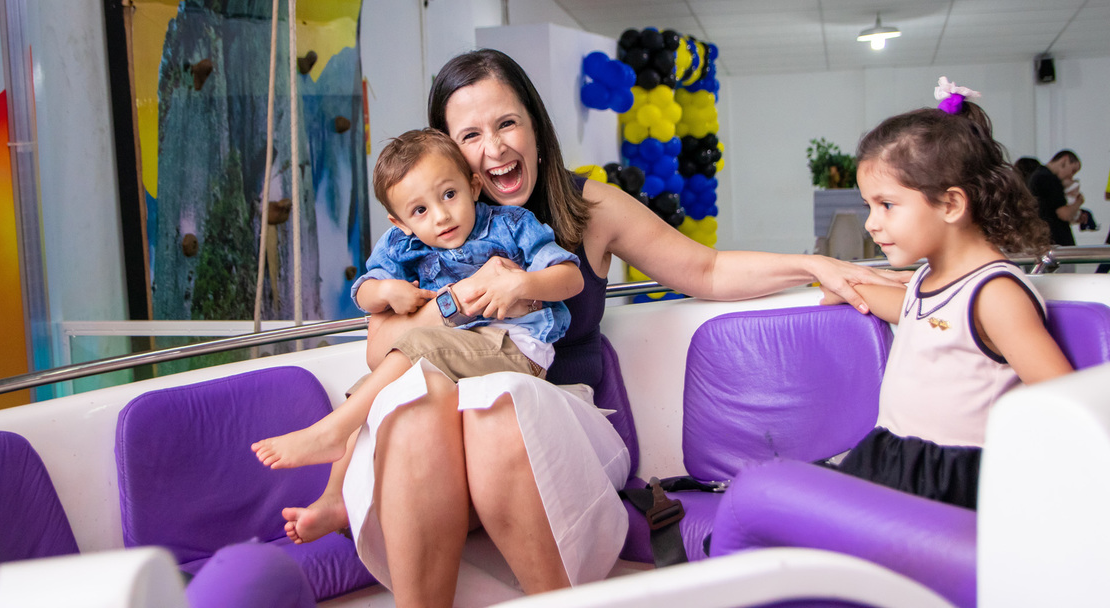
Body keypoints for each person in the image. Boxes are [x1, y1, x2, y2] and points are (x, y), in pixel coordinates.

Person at [284, 49, 908, 606]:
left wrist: (811, 264)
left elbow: (707, 269)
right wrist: (462, 295)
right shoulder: (420, 235)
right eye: (470, 135)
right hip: (441, 456)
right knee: (418, 403)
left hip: (556, 428)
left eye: (507, 124)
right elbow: (381, 349)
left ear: (535, 126)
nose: (495, 149)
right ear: (446, 151)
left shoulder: (587, 207)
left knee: (495, 400)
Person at [251, 128, 583, 470]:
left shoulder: (511, 224)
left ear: (473, 187)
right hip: (451, 347)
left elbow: (572, 278)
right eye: (420, 210)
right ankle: (334, 490)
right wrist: (385, 291)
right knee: (369, 390)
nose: (441, 216)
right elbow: (365, 293)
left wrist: (520, 284)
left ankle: (331, 430)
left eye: (450, 194)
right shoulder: (401, 244)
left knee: (420, 344)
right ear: (401, 222)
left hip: (516, 348)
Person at [827, 78, 1073, 509]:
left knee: (771, 497)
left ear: (951, 204)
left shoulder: (994, 294)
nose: (871, 223)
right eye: (869, 206)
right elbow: (910, 313)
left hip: (946, 482)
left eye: (886, 205)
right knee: (769, 494)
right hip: (896, 459)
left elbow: (1067, 400)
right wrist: (844, 284)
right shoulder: (930, 278)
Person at [1028, 149, 1083, 246]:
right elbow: (1064, 214)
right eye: (1072, 170)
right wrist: (1079, 201)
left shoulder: (1037, 175)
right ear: (1065, 159)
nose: (1071, 176)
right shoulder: (1050, 179)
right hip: (1056, 239)